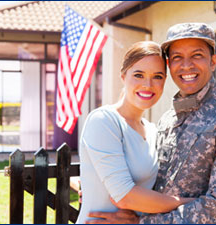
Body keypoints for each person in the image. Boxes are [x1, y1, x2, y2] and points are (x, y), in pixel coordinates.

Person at [86, 23, 216, 224]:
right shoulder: (167, 120)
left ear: (213, 61)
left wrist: (142, 223)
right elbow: (153, 186)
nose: (186, 65)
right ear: (170, 64)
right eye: (177, 57)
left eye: (197, 55)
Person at [76, 41, 194, 224]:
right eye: (138, 75)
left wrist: (139, 218)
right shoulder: (104, 120)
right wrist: (193, 203)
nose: (148, 84)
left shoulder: (153, 131)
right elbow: (124, 196)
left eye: (157, 76)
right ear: (123, 76)